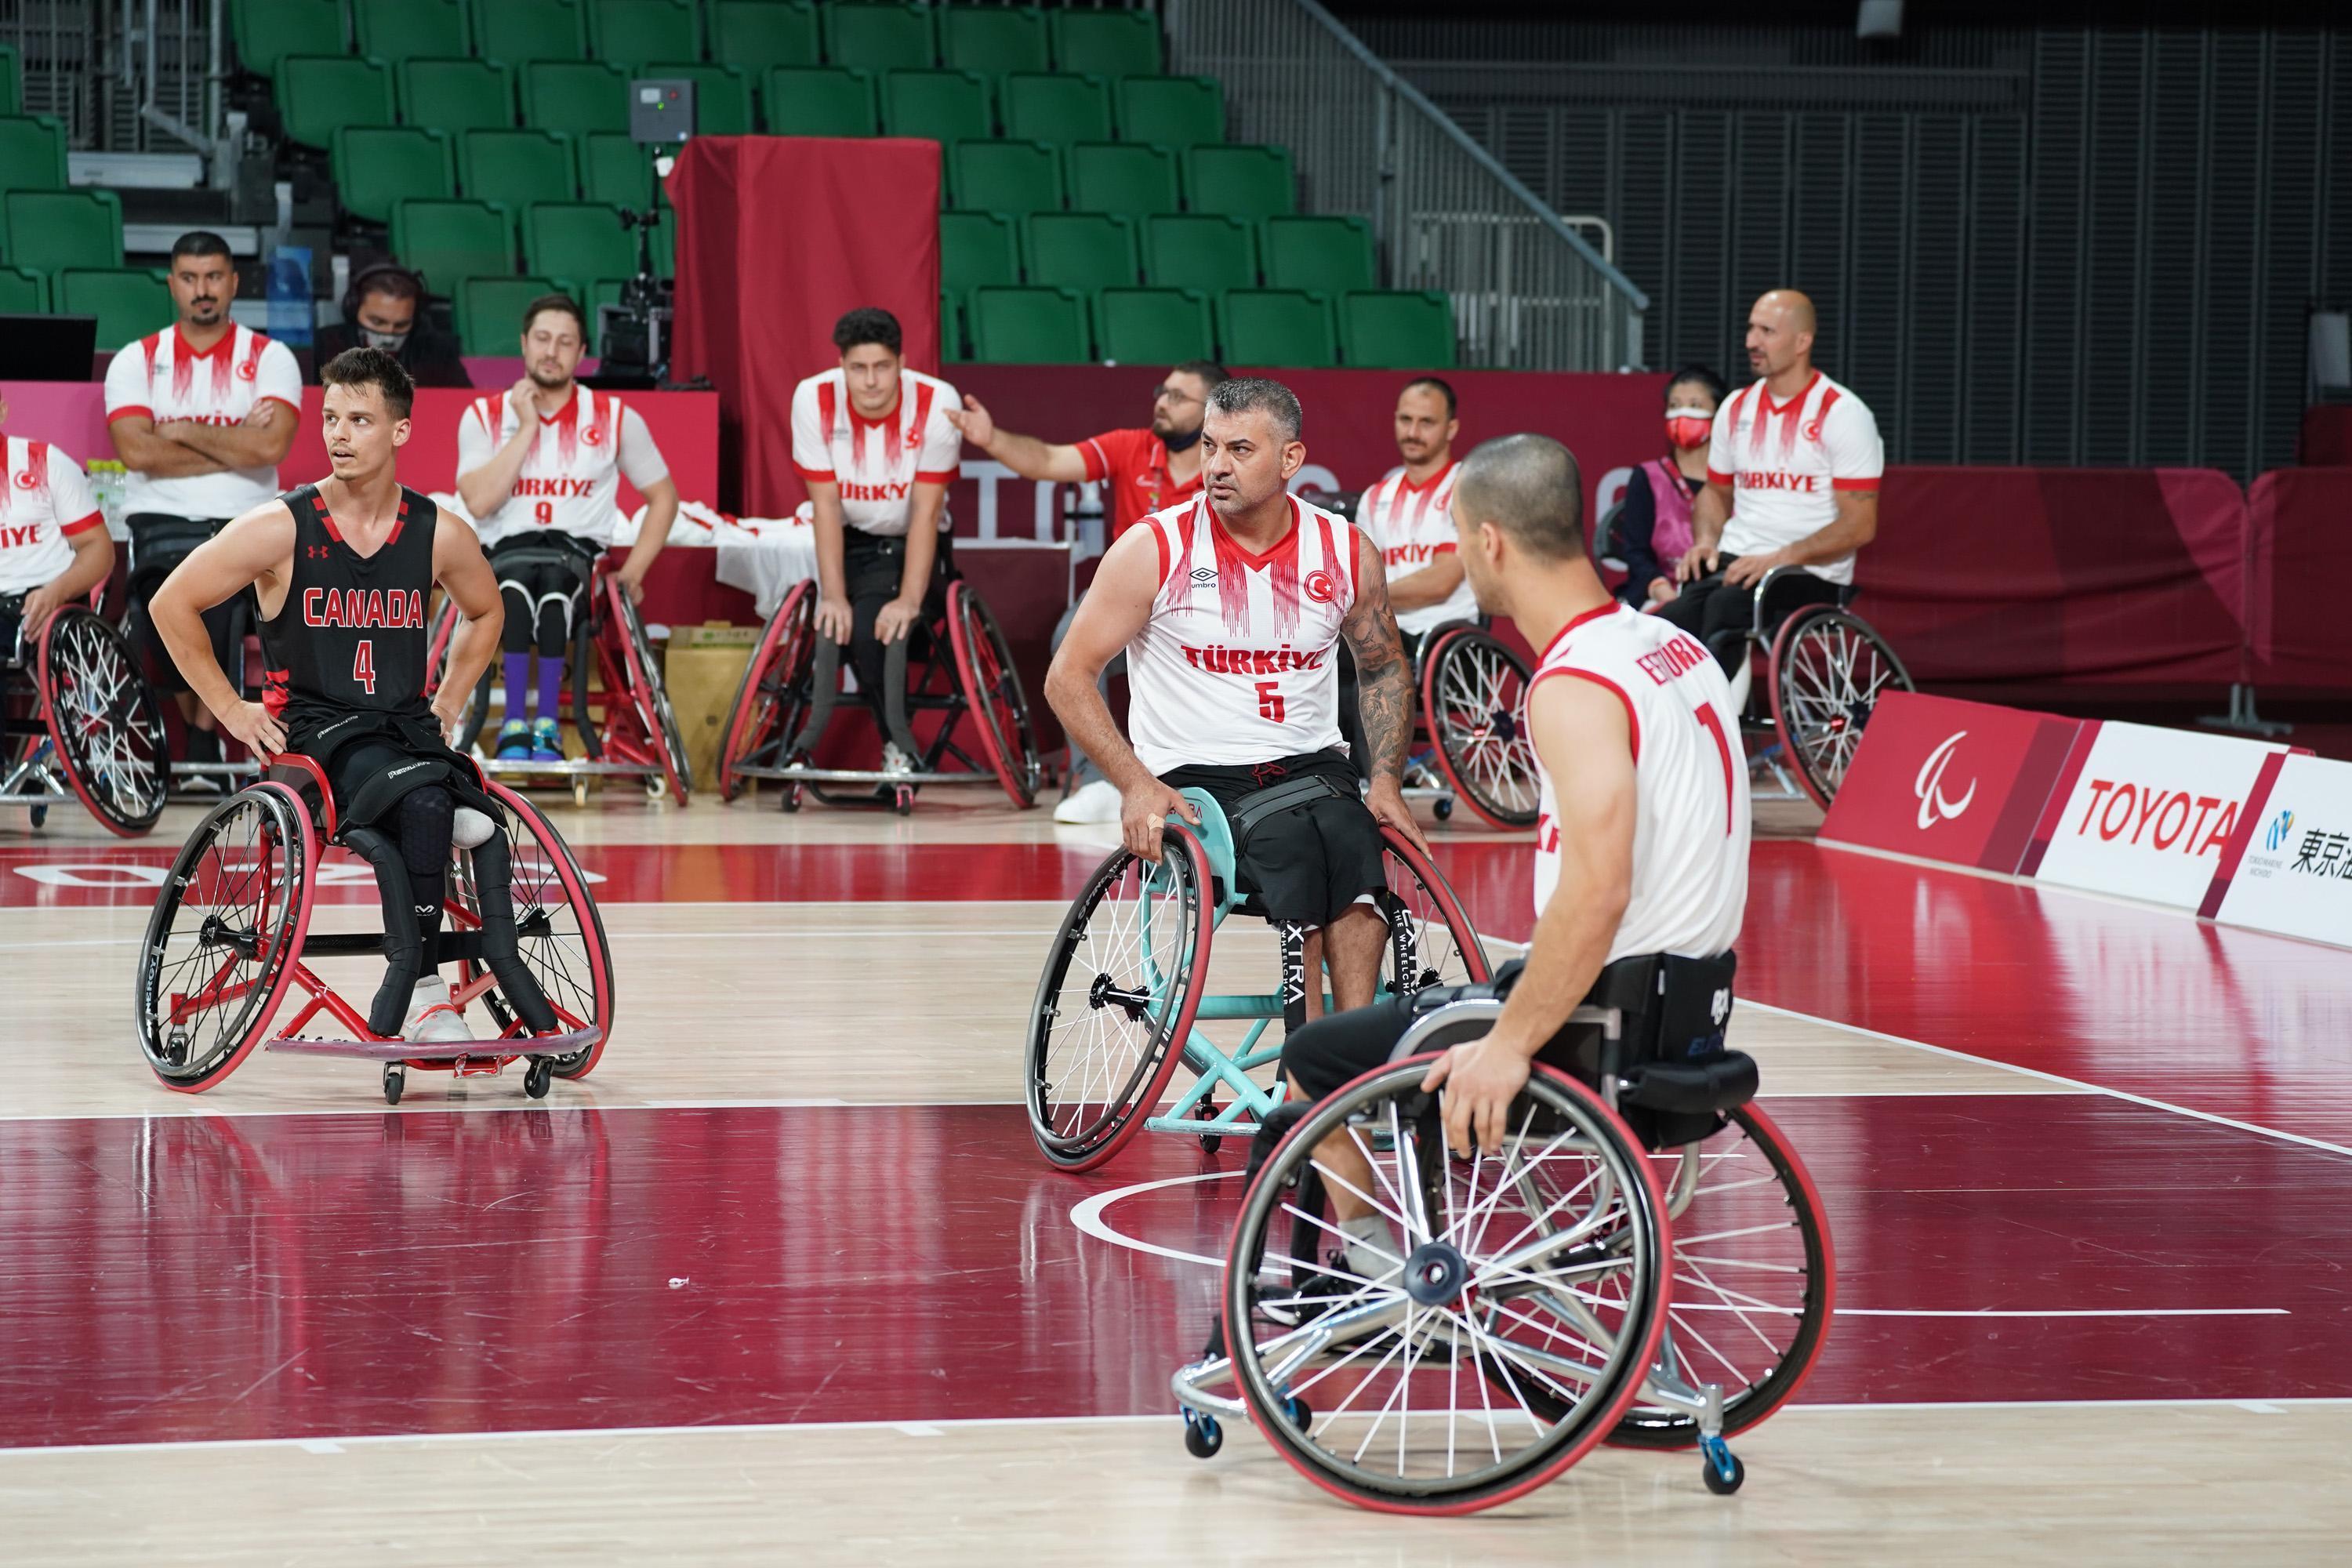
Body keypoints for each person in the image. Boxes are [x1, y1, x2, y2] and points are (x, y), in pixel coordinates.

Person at [1276, 431, 1749, 1276]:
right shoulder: (1675, 648)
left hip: (1604, 1016)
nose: (1463, 556)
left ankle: (1384, 1280)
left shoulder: (1577, 682)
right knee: (1420, 1016)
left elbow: (1599, 890)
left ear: (1488, 541)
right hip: (1693, 1002)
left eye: (1460, 539)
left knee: (1312, 1060)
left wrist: (1508, 1044)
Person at [147, 348, 510, 1046]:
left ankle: (476, 970)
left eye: (360, 420)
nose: (339, 435)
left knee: (453, 804)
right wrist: (231, 709)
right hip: (312, 739)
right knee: (433, 806)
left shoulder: (438, 534)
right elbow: (172, 605)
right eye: (331, 418)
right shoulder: (282, 526)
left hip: (406, 731)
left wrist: (451, 699)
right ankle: (426, 990)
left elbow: (487, 611)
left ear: (400, 432)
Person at [1047, 377, 1425, 1029]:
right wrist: (1134, 784)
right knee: (1298, 847)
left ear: (1290, 460)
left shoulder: (1342, 549)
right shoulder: (1154, 548)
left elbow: (1385, 665)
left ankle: (1347, 1055)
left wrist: (1386, 779)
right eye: (1209, 446)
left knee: (1356, 846)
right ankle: (1311, 1063)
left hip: (1312, 765)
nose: (1216, 466)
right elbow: (1068, 677)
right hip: (1198, 777)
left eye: (1240, 450)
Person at [946, 361, 1229, 822]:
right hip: (1132, 601)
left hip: (1209, 602)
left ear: (1213, 410)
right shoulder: (1130, 446)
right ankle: (1098, 781)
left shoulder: (1229, 465)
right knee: (1069, 644)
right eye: (1162, 391)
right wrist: (991, 438)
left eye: (1178, 397)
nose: (1161, 401)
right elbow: (1047, 460)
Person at [104, 230, 301, 783]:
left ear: (233, 283)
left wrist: (183, 428)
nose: (203, 289)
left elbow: (269, 447)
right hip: (162, 524)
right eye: (190, 278)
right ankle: (206, 740)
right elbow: (136, 452)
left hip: (249, 524)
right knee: (177, 591)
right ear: (172, 285)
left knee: (223, 591)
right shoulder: (135, 360)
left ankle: (201, 741)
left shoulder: (271, 357)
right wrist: (233, 439)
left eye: (214, 276)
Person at [456, 293, 680, 762]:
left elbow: (664, 498)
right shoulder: (483, 416)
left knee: (555, 585)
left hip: (576, 554)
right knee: (513, 587)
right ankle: (516, 723)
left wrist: (633, 572)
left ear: (582, 353)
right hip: (505, 552)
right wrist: (526, 429)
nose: (551, 351)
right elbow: (478, 500)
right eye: (542, 339)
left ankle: (547, 727)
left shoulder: (617, 417)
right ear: (524, 344)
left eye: (565, 342)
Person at [1659, 290, 1882, 672]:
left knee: (1723, 611)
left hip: (1808, 571)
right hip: (1738, 562)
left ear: (1802, 342)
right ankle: (1671, 723)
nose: (1751, 342)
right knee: (1667, 627)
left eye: (1766, 331)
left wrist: (1781, 557)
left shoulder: (1843, 413)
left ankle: (1712, 724)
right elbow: (1715, 492)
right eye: (1750, 330)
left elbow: (1859, 524)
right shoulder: (1736, 406)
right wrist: (1705, 541)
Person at [788, 307, 965, 775]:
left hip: (910, 543)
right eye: (858, 369)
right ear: (841, 365)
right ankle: (811, 741)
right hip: (848, 541)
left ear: (902, 363)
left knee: (874, 625)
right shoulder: (812, 398)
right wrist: (833, 595)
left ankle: (898, 746)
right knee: (833, 622)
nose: (870, 381)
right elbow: (824, 505)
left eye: (882, 367)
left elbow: (927, 512)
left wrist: (909, 599)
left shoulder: (937, 402)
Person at [1356, 376, 1479, 651]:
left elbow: (1442, 582)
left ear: (1451, 428)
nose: (1412, 432)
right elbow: (1362, 579)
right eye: (1405, 419)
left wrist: (1368, 596)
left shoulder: (1466, 488)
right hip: (1387, 632)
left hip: (1446, 634)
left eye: (1426, 422)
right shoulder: (1375, 498)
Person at [0, 395, 116, 659]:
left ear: (2, 411)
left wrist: (56, 592)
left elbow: (99, 548)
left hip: (44, 597)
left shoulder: (45, 461)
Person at [1613, 365, 1726, 610]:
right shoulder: (1647, 477)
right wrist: (1661, 589)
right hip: (1663, 593)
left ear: (1720, 415)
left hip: (1723, 592)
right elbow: (1636, 553)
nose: (1683, 414)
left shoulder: (1736, 479)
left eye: (1695, 406)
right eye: (1674, 406)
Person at [310, 259, 470, 389]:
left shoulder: (439, 352)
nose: (389, 335)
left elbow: (461, 404)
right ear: (354, 308)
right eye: (377, 322)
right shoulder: (324, 346)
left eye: (401, 325)